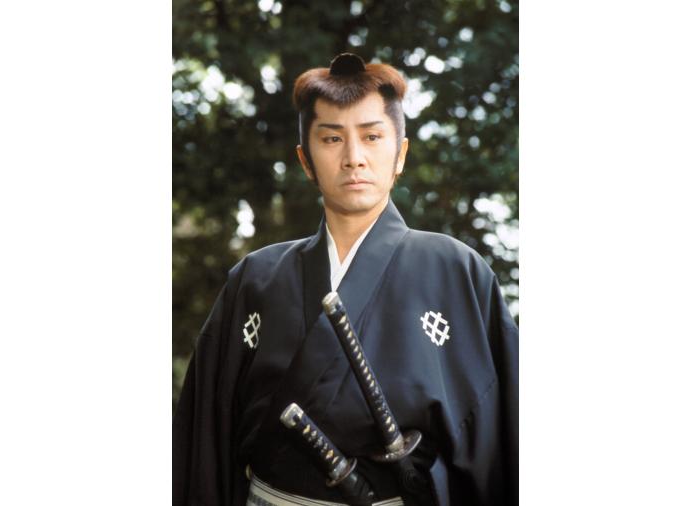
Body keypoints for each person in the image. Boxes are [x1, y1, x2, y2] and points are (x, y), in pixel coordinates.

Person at [173, 53, 518, 506]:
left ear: (400, 154)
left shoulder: (456, 271)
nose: (354, 158)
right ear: (306, 160)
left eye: (372, 136)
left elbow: (500, 436)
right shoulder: (255, 278)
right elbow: (205, 436)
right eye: (332, 138)